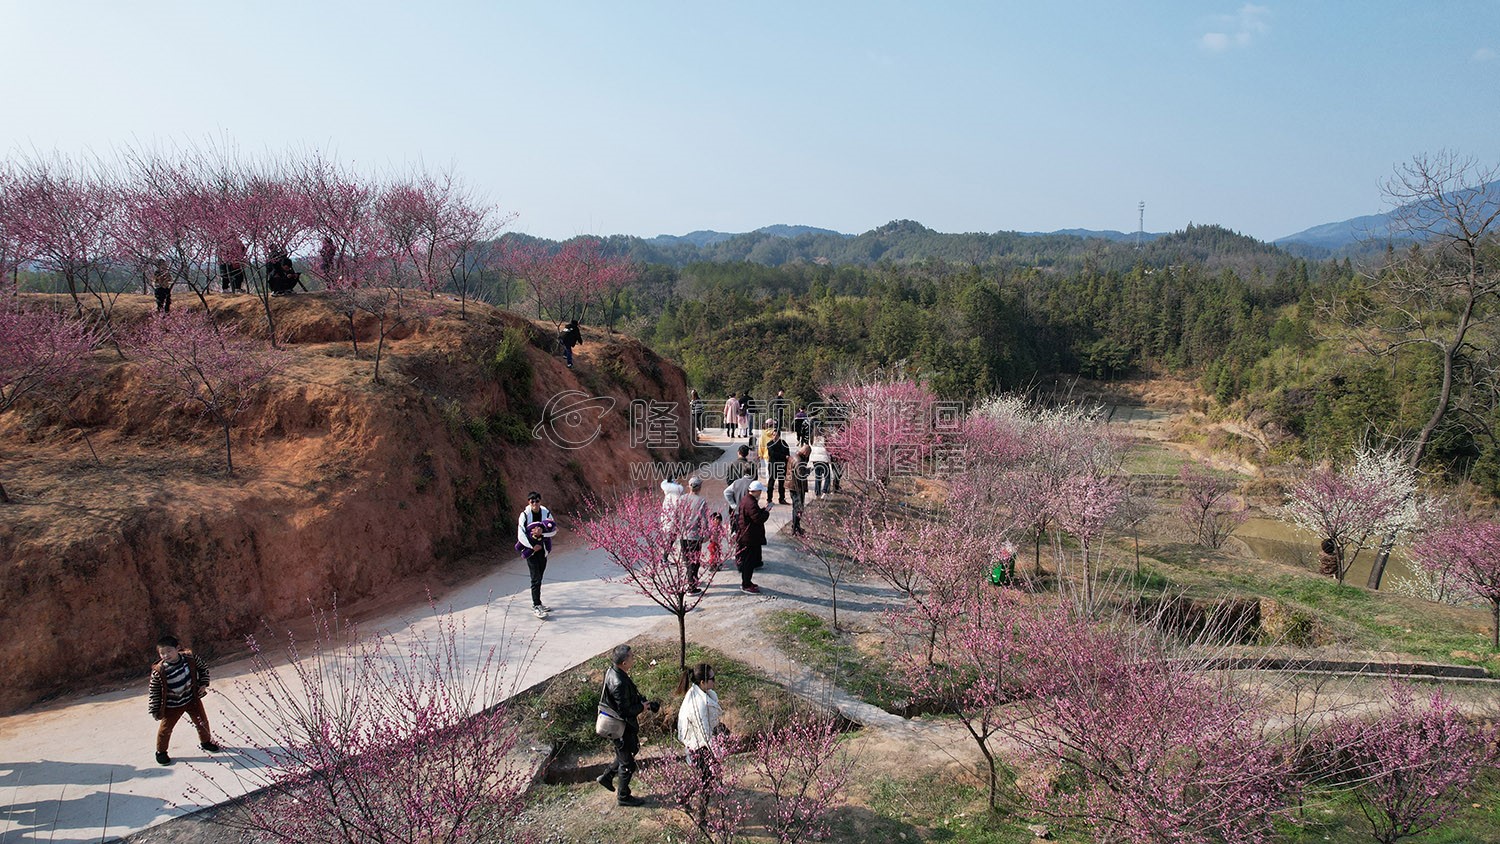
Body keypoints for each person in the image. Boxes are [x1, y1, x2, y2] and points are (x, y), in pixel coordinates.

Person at [596, 644, 659, 806]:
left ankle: (607, 776)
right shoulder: (619, 682)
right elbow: (624, 711)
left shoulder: (613, 672)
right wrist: (642, 707)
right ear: (624, 662)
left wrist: (641, 701)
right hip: (620, 728)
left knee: (628, 753)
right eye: (631, 656)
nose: (634, 658)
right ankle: (623, 797)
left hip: (622, 726)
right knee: (627, 764)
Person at [148, 634, 221, 766]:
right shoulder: (159, 671)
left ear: (178, 648)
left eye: (169, 651)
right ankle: (161, 752)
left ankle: (206, 742)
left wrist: (203, 684)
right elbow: (154, 692)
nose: (166, 655)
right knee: (166, 729)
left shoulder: (190, 659)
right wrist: (155, 709)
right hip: (173, 705)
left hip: (192, 699)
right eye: (162, 653)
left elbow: (203, 669)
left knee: (202, 722)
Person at [676, 662, 725, 784]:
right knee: (706, 778)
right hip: (698, 745)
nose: (714, 681)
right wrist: (717, 753)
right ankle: (691, 799)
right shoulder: (700, 704)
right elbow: (704, 732)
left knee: (708, 777)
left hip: (701, 742)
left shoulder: (700, 692)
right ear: (702, 682)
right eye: (712, 678)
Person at [734, 480, 771, 593]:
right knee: (748, 562)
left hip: (748, 535)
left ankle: (748, 582)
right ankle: (746, 585)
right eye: (760, 491)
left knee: (749, 561)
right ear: (756, 491)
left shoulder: (747, 500)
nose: (760, 494)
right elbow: (758, 519)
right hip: (749, 537)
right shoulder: (750, 502)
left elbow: (754, 514)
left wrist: (762, 510)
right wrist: (767, 512)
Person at [518, 519, 555, 618]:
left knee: (539, 579)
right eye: (532, 501)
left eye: (537, 501)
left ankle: (538, 603)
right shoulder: (525, 516)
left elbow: (553, 531)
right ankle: (536, 605)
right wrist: (531, 548)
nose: (534, 503)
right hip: (532, 556)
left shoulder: (544, 513)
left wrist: (543, 533)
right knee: (536, 580)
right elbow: (519, 541)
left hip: (542, 555)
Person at [680, 477, 711, 593]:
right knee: (694, 561)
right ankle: (692, 587)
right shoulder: (701, 501)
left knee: (687, 559)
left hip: (683, 535)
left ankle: (691, 579)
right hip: (694, 535)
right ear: (700, 487)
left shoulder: (682, 499)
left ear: (689, 486)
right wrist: (707, 533)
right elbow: (704, 519)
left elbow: (676, 515)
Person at [789, 443, 811, 535]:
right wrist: (808, 471)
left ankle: (796, 526)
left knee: (797, 507)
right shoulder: (799, 460)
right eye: (808, 454)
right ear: (805, 452)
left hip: (794, 486)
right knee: (797, 508)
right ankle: (795, 528)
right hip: (797, 487)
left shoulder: (795, 456)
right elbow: (801, 474)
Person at [766, 427, 790, 505]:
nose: (774, 436)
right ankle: (769, 499)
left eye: (776, 435)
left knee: (781, 483)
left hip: (782, 466)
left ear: (779, 436)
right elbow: (772, 454)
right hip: (773, 466)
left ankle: (782, 498)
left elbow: (787, 454)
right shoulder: (769, 444)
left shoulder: (784, 443)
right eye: (773, 435)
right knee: (771, 482)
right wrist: (784, 456)